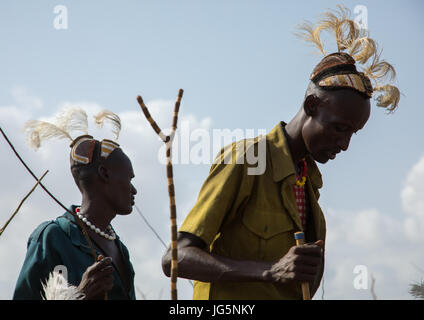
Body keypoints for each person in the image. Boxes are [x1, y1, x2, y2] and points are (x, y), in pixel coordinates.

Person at [162, 6, 400, 300]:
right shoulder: (249, 158)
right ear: (311, 107)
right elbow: (175, 257)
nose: (345, 144)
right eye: (339, 128)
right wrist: (270, 271)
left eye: (353, 133)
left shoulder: (308, 182)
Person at [13, 109, 138, 300]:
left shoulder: (120, 249)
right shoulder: (52, 238)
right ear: (104, 174)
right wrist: (81, 294)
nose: (133, 189)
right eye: (128, 179)